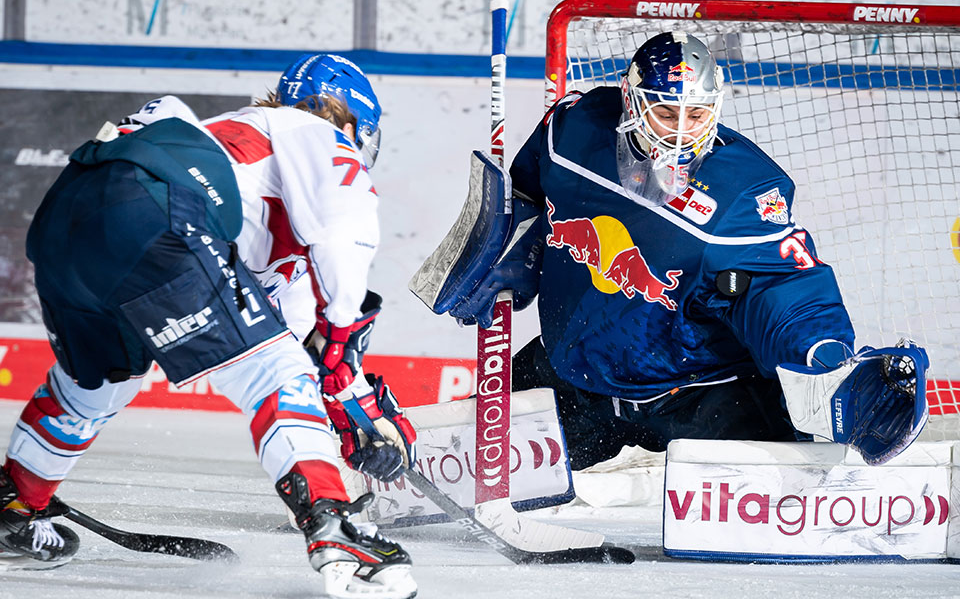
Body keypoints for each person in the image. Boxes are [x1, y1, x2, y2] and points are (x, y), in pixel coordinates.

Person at [0, 54, 417, 599]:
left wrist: (348, 399)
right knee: (274, 374)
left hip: (65, 219)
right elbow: (348, 237)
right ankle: (336, 529)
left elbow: (293, 340)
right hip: (158, 209)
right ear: (348, 121)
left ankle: (15, 504)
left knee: (99, 381)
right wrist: (341, 341)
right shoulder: (317, 132)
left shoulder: (237, 143)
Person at [428, 31, 928, 472]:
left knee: (796, 502)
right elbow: (531, 189)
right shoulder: (573, 132)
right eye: (667, 112)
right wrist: (512, 240)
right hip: (578, 376)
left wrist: (829, 363)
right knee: (446, 470)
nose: (682, 130)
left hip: (700, 394)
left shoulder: (744, 192)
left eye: (698, 114)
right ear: (631, 101)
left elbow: (787, 294)